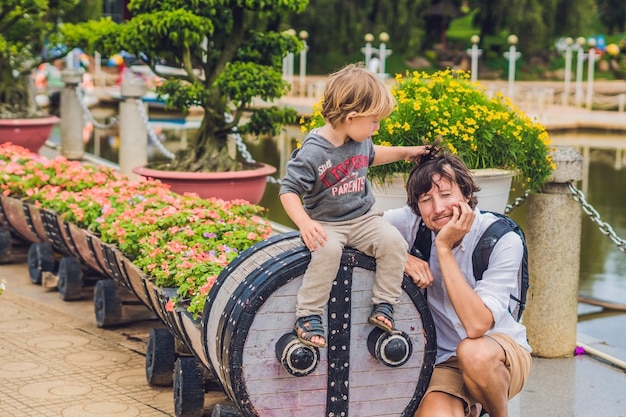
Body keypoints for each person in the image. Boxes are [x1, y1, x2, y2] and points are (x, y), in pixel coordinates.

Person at [279, 63, 430, 348]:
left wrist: (408, 153)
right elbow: (288, 191)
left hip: (363, 219)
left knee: (394, 243)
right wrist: (305, 223)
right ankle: (308, 315)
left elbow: (375, 155)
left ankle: (384, 304)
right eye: (374, 121)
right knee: (328, 251)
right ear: (351, 117)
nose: (377, 127)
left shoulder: (359, 140)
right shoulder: (313, 152)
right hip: (327, 223)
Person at [383, 151, 532, 417]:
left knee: (473, 352)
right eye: (426, 199)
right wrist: (399, 255)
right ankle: (468, 406)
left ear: (465, 194)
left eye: (446, 194)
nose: (437, 208)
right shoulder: (414, 224)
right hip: (444, 361)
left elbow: (476, 326)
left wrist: (443, 248)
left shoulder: (501, 239)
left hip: (498, 352)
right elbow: (354, 226)